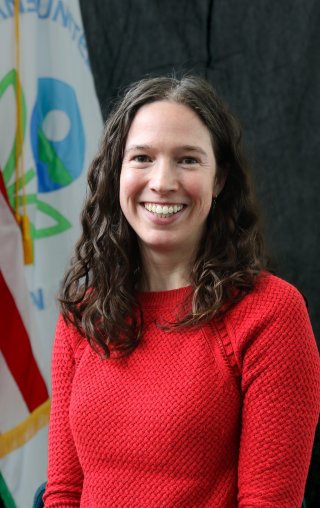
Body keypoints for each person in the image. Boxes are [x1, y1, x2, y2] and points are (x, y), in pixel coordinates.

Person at [43, 75, 320, 507]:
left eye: (188, 160)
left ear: (220, 179)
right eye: (142, 158)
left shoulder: (271, 313)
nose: (162, 181)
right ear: (118, 171)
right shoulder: (84, 314)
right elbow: (63, 493)